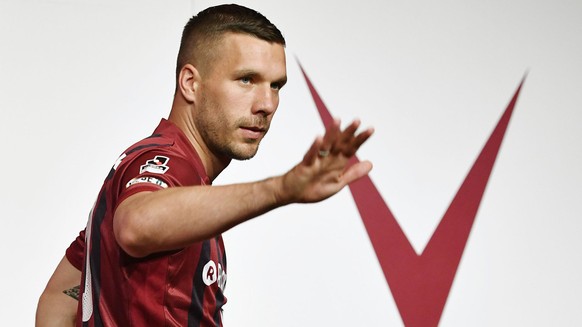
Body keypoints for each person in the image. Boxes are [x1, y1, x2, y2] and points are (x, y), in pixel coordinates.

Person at [36, 4, 373, 326]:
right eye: (246, 79)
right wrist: (281, 189)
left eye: (276, 86)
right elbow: (136, 224)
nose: (267, 104)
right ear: (190, 83)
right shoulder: (167, 163)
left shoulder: (178, 184)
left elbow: (59, 298)